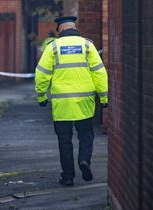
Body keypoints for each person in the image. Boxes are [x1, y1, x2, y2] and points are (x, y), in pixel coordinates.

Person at [34, 16, 108, 186]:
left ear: (60, 29)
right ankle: (84, 161)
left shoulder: (53, 47)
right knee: (86, 134)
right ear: (74, 28)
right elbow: (99, 73)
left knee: (64, 140)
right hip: (84, 102)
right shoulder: (88, 45)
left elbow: (41, 74)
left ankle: (67, 176)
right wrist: (104, 97)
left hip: (62, 103)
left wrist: (41, 96)